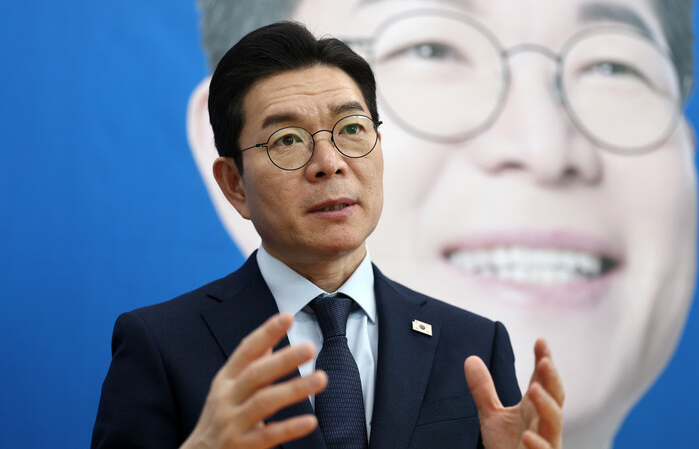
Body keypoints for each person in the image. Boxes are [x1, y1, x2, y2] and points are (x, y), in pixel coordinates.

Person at [186, 0, 696, 448]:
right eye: (428, 49)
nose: (543, 148)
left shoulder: (480, 343)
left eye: (613, 66)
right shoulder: (164, 347)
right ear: (234, 171)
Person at [92, 22, 563, 448]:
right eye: (288, 140)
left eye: (352, 128)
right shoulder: (162, 345)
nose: (329, 163)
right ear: (235, 184)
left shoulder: (473, 345)